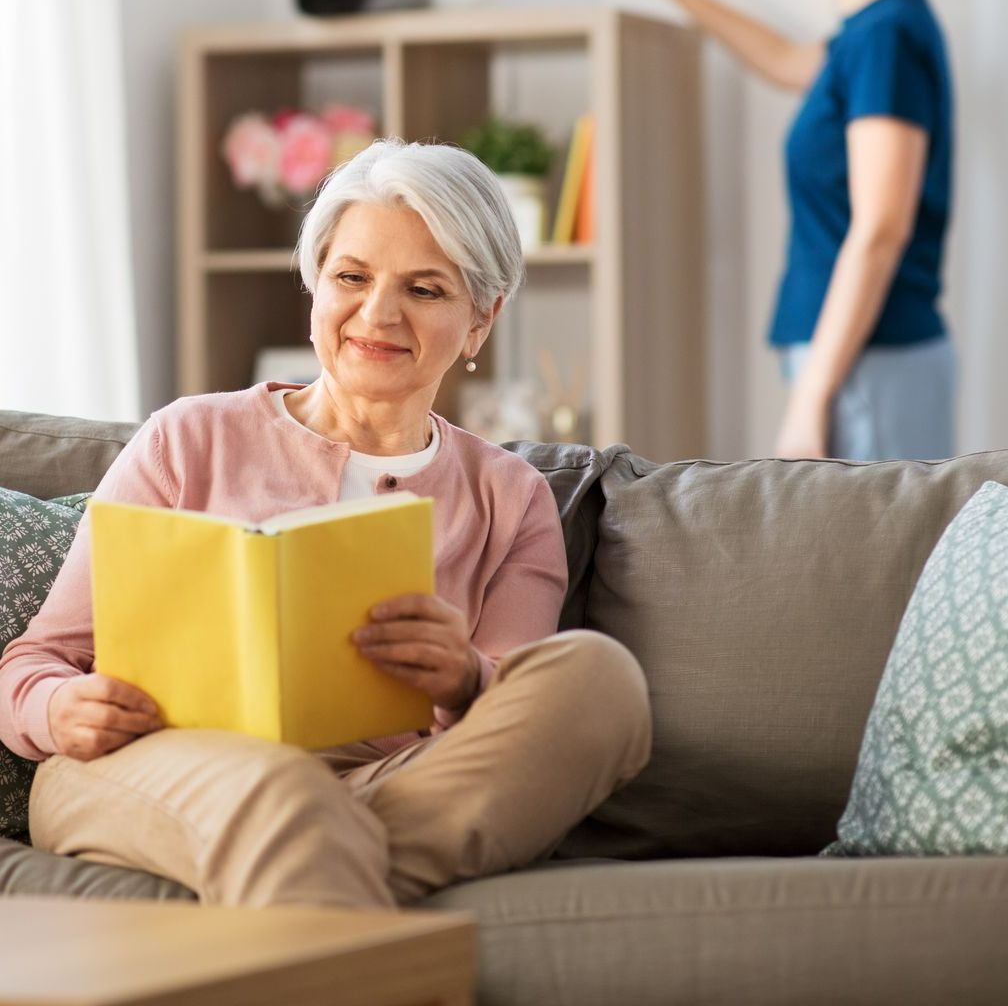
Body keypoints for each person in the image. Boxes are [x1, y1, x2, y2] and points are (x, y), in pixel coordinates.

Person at [0, 140, 652, 908]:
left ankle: (314, 862)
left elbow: (514, 708)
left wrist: (465, 678)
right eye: (352, 277)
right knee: (284, 796)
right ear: (315, 287)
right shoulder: (188, 437)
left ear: (481, 319)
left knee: (600, 683)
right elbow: (34, 663)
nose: (378, 313)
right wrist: (58, 708)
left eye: (425, 289)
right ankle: (324, 853)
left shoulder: (510, 497)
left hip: (388, 780)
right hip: (151, 767)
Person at [597, 0, 956, 462]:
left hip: (870, 361)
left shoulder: (886, 37)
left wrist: (811, 398)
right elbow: (785, 60)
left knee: (878, 564)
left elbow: (881, 226)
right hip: (855, 359)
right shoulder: (866, 35)